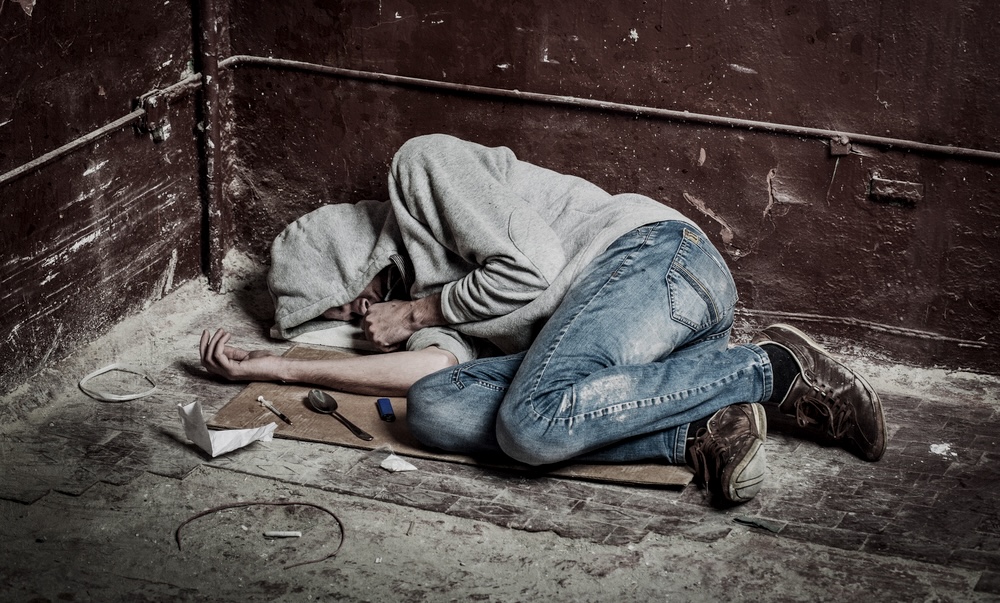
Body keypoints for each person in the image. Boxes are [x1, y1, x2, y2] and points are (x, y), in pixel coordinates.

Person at [200, 134, 886, 505]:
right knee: (433, 411)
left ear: (349, 259)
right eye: (342, 319)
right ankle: (692, 421)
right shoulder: (428, 307)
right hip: (635, 344)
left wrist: (417, 307)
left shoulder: (422, 171)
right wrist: (281, 366)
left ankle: (772, 367)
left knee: (527, 424)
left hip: (657, 262)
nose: (359, 317)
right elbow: (435, 370)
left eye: (349, 299)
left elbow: (533, 261)